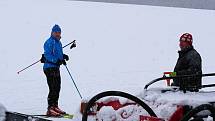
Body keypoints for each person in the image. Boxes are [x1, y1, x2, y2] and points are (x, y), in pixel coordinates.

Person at [42, 24, 69, 116]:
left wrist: (63, 57)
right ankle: (50, 108)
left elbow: (58, 54)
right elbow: (47, 55)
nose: (57, 34)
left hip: (56, 68)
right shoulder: (49, 42)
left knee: (57, 87)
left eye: (59, 32)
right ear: (52, 32)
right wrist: (56, 60)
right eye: (56, 32)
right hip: (49, 67)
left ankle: (55, 106)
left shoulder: (59, 43)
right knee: (52, 87)